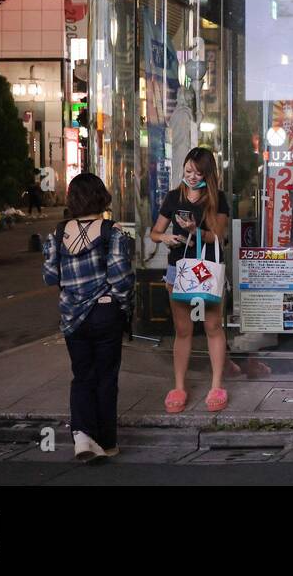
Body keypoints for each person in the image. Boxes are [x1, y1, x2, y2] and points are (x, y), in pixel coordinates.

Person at [42, 173, 134, 462]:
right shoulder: (112, 232)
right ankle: (106, 443)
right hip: (105, 313)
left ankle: (82, 435)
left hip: (72, 317)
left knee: (82, 376)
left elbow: (50, 276)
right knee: (106, 378)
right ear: (101, 196)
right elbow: (121, 278)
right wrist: (124, 305)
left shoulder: (57, 234)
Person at [150, 147, 230, 414]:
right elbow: (154, 232)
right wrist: (165, 238)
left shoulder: (217, 199)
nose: (192, 176)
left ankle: (216, 386)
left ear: (208, 173)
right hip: (178, 268)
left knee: (213, 326)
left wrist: (196, 230)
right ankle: (179, 387)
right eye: (188, 171)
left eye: (198, 172)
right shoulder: (173, 197)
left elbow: (218, 236)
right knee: (182, 329)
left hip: (207, 268)